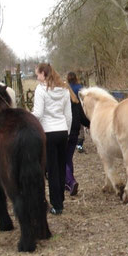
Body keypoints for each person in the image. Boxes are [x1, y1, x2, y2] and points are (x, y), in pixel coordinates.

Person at [32, 63, 72, 215]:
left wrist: (28, 117)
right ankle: (60, 199)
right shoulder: (64, 90)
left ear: (43, 73)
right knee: (61, 168)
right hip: (62, 131)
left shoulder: (41, 90)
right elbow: (68, 115)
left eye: (38, 75)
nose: (37, 78)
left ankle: (56, 205)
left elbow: (39, 114)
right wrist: (66, 132)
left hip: (48, 132)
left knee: (52, 170)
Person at [65, 72, 90, 196]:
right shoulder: (77, 97)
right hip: (75, 129)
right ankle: (68, 183)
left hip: (64, 130)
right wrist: (90, 124)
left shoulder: (62, 99)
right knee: (68, 158)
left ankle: (70, 181)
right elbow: (82, 116)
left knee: (62, 159)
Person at [66, 72, 86, 153]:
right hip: (79, 110)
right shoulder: (80, 88)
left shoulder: (66, 88)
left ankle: (70, 143)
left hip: (68, 110)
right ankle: (79, 145)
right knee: (80, 129)